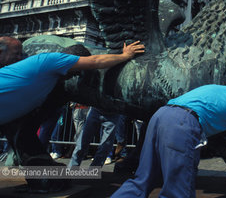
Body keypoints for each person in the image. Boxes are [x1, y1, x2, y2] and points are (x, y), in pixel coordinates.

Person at [111, 76, 226, 198]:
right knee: (178, 190)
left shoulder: (214, 88)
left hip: (159, 117)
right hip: (183, 124)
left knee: (142, 179)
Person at [0, 36, 144, 192]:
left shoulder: (36, 74)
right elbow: (96, 61)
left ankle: (45, 179)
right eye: (76, 71)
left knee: (23, 133)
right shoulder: (51, 61)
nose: (74, 77)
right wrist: (125, 56)